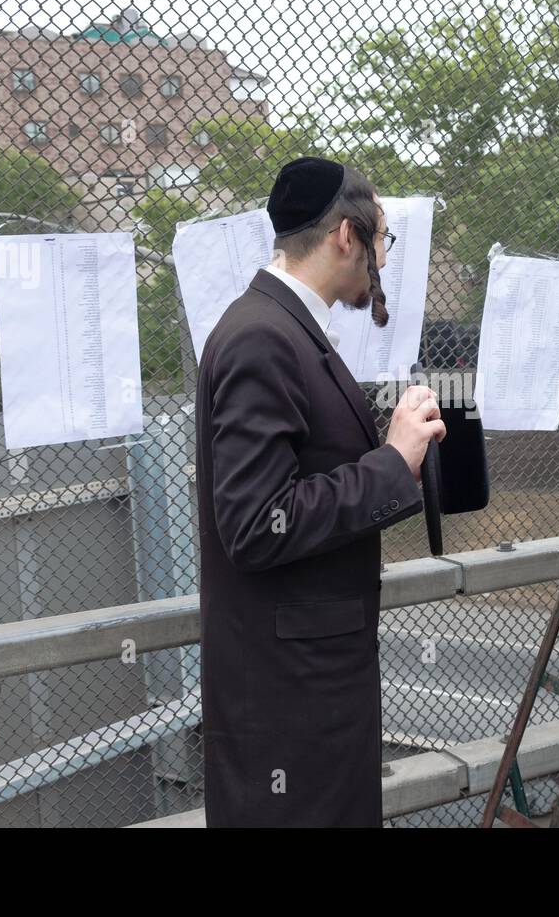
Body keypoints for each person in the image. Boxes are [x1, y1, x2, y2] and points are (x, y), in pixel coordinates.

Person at [195, 156, 445, 826]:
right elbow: (254, 523)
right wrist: (392, 462)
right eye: (381, 239)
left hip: (307, 687)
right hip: (289, 700)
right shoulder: (263, 339)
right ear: (345, 235)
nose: (382, 258)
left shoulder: (290, 331)